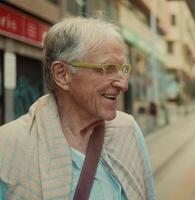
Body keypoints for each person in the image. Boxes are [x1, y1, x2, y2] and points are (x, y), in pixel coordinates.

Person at [0, 17, 156, 200]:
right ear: (62, 74)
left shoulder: (127, 130)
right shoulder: (8, 146)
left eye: (123, 69)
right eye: (108, 68)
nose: (124, 84)